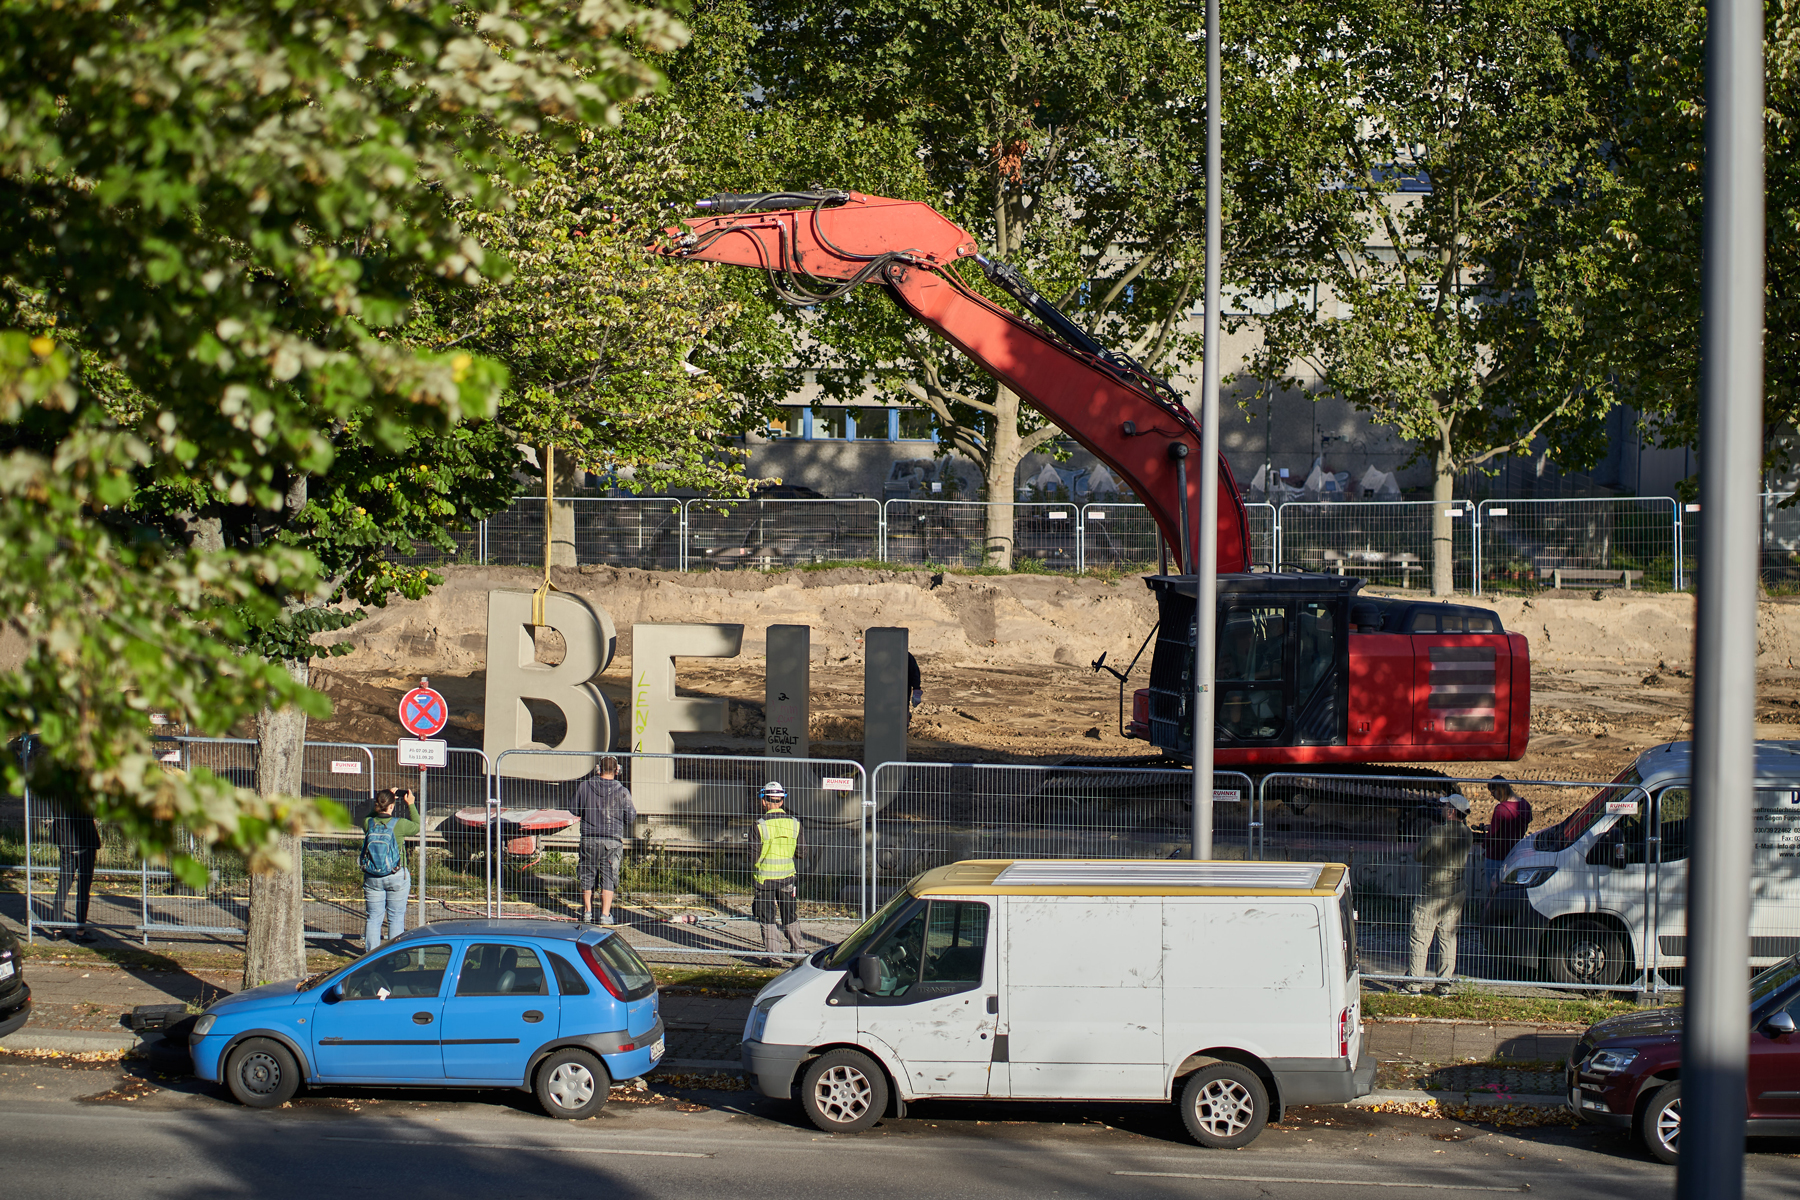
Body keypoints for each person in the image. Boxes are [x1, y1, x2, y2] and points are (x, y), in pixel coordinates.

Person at [1407, 793, 1473, 995]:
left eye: (1444, 806)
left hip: (1432, 893)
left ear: (1452, 811)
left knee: (1420, 938)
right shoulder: (1467, 834)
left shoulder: (1435, 832)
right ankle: (1443, 985)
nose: (1442, 809)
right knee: (1448, 938)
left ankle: (1414, 985)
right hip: (1455, 892)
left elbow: (1418, 856)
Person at [571, 756, 636, 926]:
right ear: (617, 770)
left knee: (587, 874)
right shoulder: (622, 791)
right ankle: (605, 914)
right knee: (609, 876)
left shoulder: (584, 786)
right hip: (612, 841)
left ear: (598, 769)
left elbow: (574, 809)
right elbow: (630, 817)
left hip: (589, 838)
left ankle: (587, 912)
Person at [752, 781, 808, 961]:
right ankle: (798, 953)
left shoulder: (759, 825)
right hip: (787, 879)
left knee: (767, 917)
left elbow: (752, 857)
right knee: (790, 914)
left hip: (765, 880)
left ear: (763, 801)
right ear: (782, 801)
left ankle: (774, 957)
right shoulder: (794, 824)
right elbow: (802, 852)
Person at [361, 787, 419, 951]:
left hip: (372, 876)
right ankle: (392, 955)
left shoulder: (368, 823)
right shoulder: (399, 825)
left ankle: (370, 955)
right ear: (392, 806)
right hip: (396, 875)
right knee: (395, 917)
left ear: (377, 805)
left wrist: (384, 799)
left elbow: (369, 818)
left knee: (373, 918)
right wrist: (411, 804)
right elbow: (416, 826)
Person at [49, 793, 101, 942]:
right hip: (85, 842)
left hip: (66, 842)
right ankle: (80, 931)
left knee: (63, 884)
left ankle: (57, 929)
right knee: (84, 888)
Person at [1479, 775, 1533, 895]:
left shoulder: (1501, 809)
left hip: (1495, 856)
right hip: (1513, 854)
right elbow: (1514, 824)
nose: (1493, 797)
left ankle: (1490, 911)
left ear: (1499, 790)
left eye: (1493, 793)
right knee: (1508, 892)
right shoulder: (1525, 805)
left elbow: (1493, 835)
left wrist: (1483, 847)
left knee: (1493, 892)